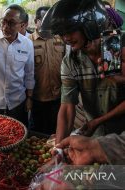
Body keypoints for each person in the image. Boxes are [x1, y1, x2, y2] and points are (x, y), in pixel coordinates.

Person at [41, 0, 125, 143]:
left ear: (90, 26)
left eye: (70, 31)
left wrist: (98, 121)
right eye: (61, 33)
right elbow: (67, 107)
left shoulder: (120, 48)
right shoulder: (70, 61)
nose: (66, 38)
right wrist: (59, 147)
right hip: (94, 137)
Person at [29, 6, 64, 134]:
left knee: (56, 130)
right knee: (37, 132)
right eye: (45, 19)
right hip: (38, 97)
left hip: (59, 95)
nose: (49, 22)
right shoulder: (28, 42)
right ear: (36, 21)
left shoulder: (60, 39)